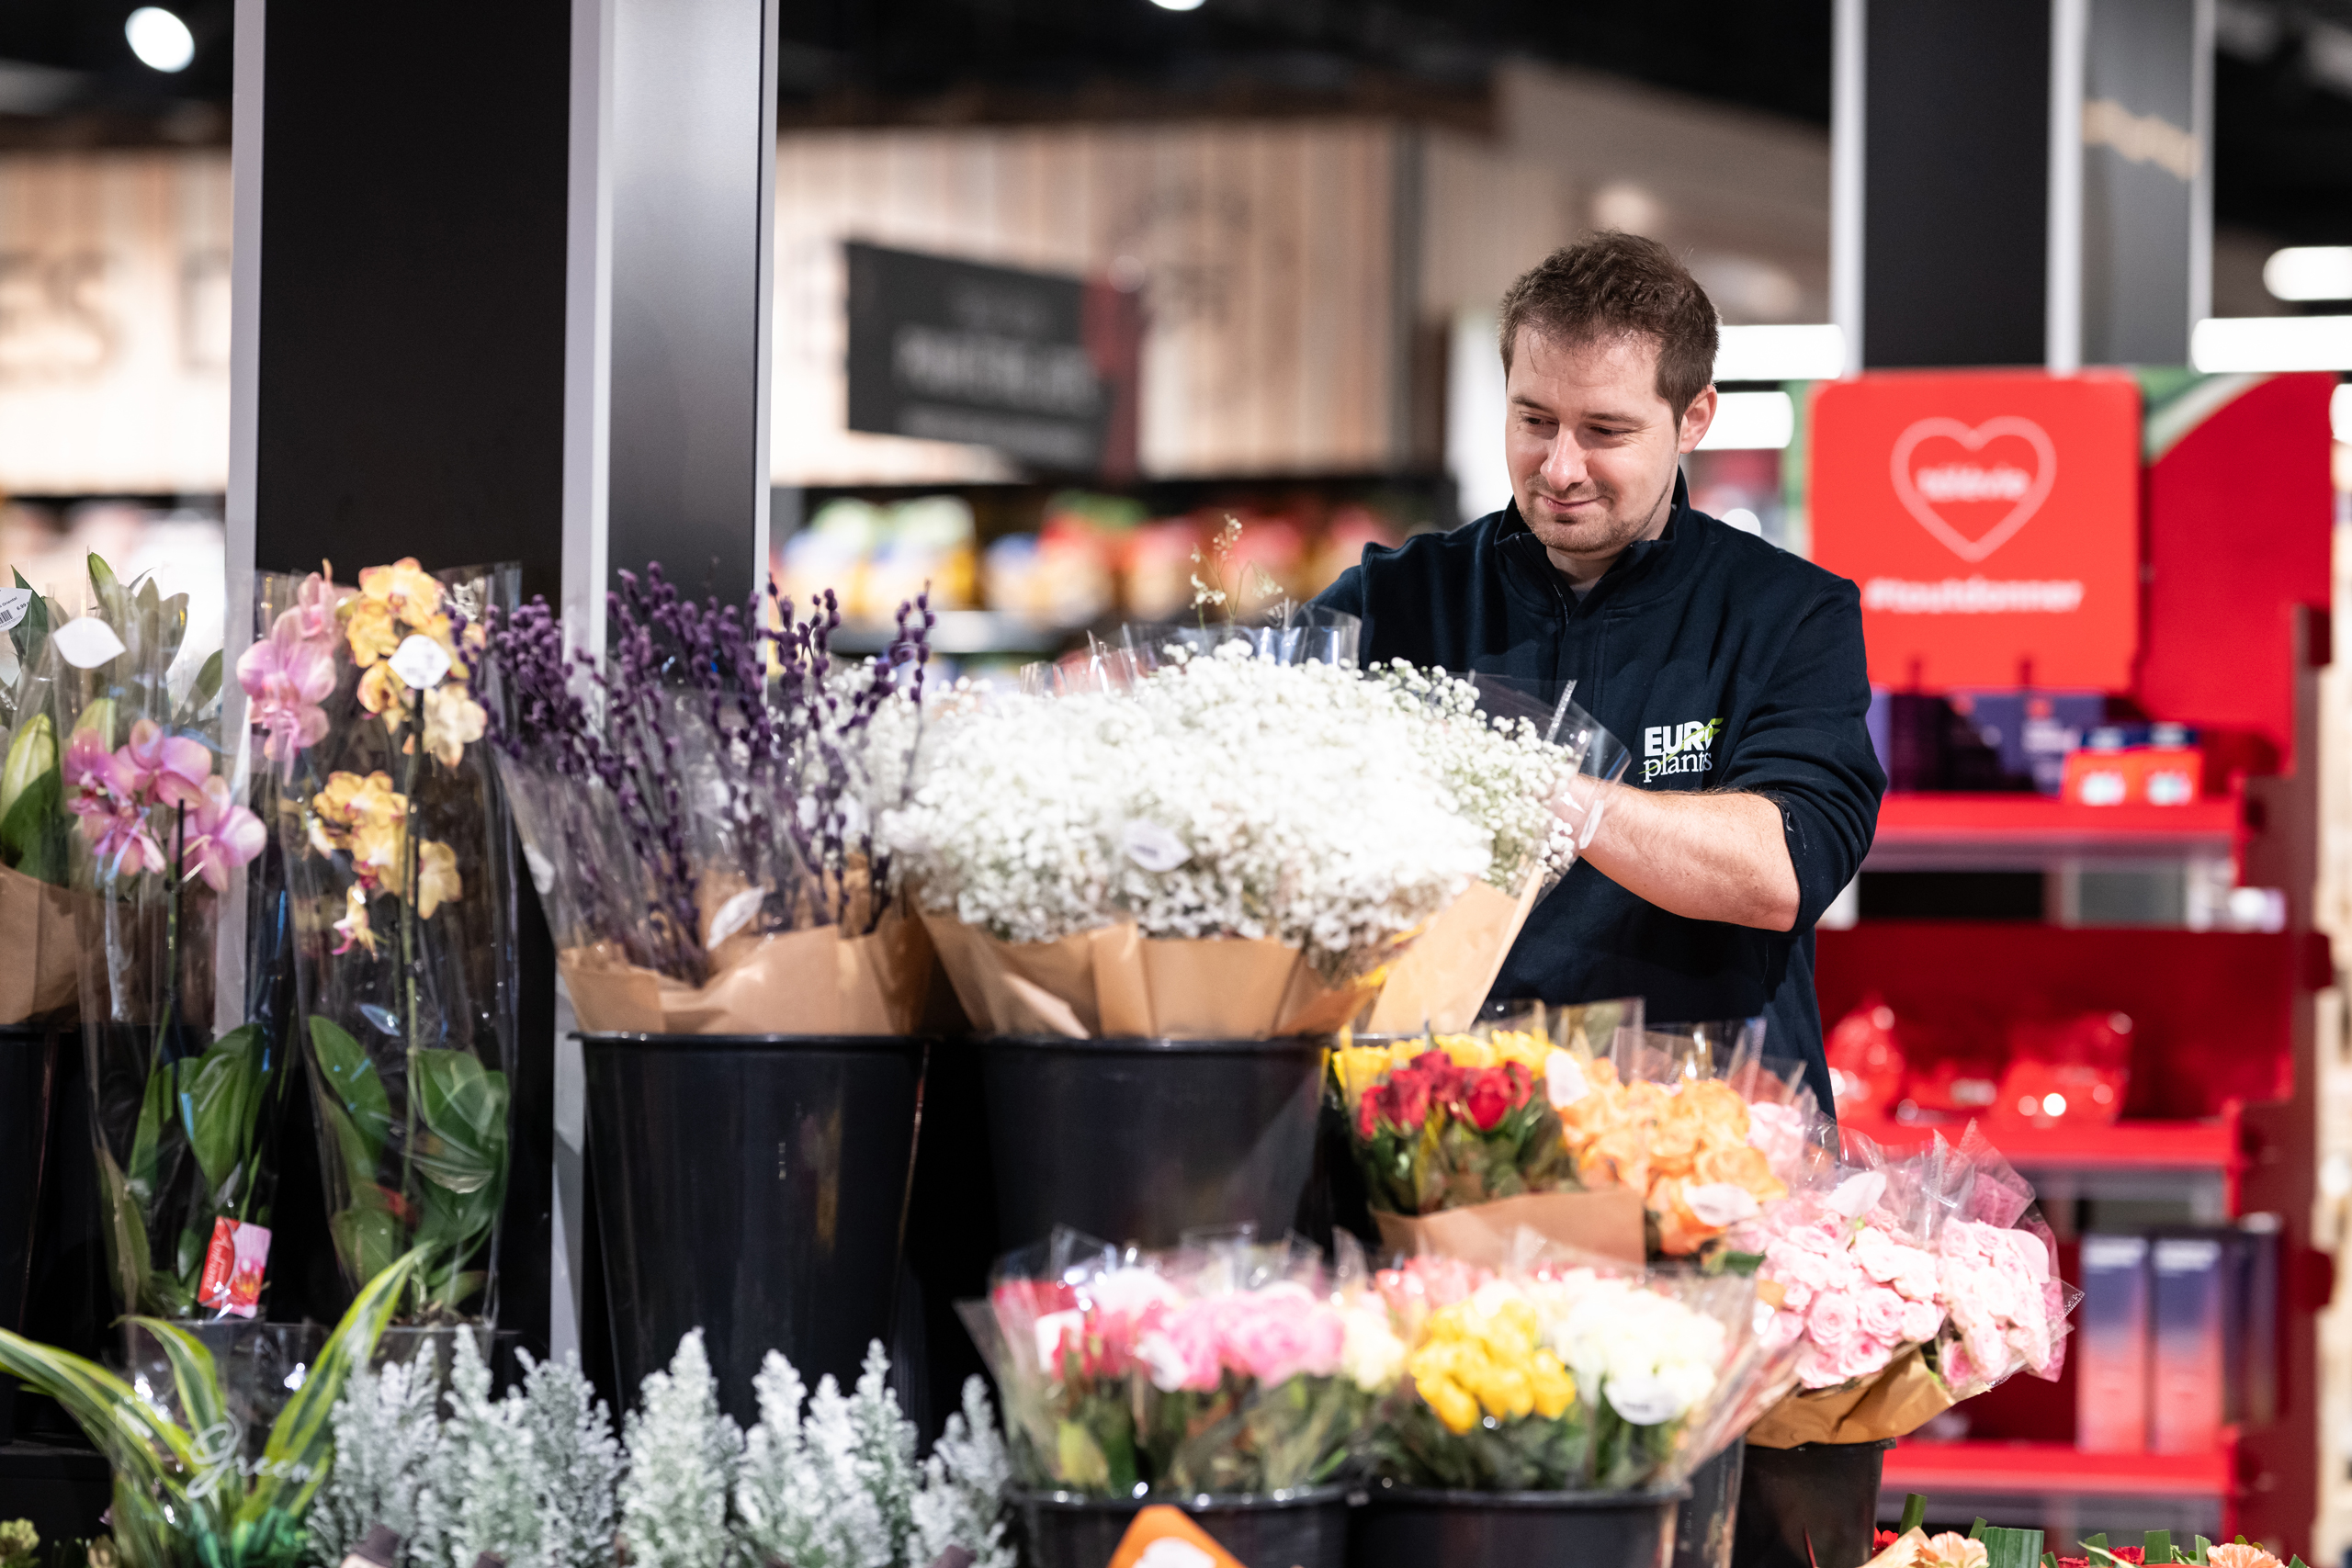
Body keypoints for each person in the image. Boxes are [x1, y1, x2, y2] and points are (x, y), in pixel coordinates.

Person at [1314, 231, 1884, 1112]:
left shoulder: (1790, 614)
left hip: (1714, 1156)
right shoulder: (1397, 599)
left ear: (1695, 417)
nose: (1561, 467)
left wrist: (1527, 786)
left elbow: (1780, 871)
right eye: (1534, 420)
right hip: (1447, 1136)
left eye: (1605, 431)